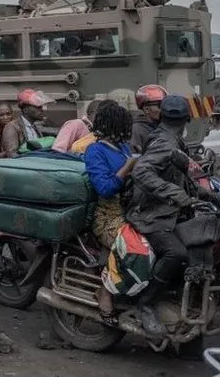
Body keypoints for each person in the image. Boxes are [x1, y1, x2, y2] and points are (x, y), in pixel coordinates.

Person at [126, 95, 217, 335]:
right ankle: (144, 304)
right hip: (152, 213)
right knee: (176, 254)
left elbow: (184, 178)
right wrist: (175, 194)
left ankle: (180, 303)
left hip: (170, 211)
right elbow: (142, 172)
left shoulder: (174, 140)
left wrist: (213, 197)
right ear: (187, 118)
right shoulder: (165, 143)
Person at [83, 101, 136, 325]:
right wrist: (128, 167)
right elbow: (104, 187)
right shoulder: (94, 151)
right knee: (136, 247)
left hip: (130, 210)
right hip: (108, 217)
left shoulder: (123, 147)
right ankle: (104, 292)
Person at [2, 89, 53, 157]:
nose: (42, 110)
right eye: (38, 107)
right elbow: (12, 154)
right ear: (26, 110)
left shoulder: (34, 126)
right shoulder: (12, 127)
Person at [130, 84, 167, 153]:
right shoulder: (136, 130)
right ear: (146, 109)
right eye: (159, 105)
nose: (163, 109)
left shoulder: (164, 126)